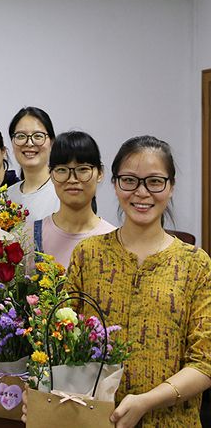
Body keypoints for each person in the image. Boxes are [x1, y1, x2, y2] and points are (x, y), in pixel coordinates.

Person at [68, 136, 211, 427]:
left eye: (155, 181)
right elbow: (60, 338)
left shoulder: (196, 264)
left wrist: (147, 401)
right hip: (95, 419)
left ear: (171, 186)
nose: (142, 192)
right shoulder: (88, 254)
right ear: (115, 184)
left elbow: (204, 362)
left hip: (172, 421)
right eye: (129, 180)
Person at [29, 130, 114, 267]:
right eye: (62, 170)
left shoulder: (116, 241)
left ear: (100, 173)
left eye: (83, 169)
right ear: (51, 174)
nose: (72, 179)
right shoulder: (28, 237)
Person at [6, 106, 59, 223]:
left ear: (52, 142)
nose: (29, 143)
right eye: (21, 136)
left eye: (38, 136)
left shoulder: (63, 192)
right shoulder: (7, 196)